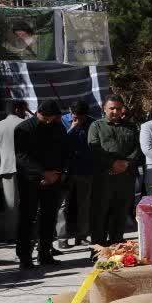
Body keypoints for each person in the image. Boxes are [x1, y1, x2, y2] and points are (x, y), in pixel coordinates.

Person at [13, 99, 69, 268]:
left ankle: (45, 253)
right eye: (46, 118)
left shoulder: (58, 127)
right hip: (30, 180)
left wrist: (58, 173)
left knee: (49, 217)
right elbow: (22, 157)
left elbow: (64, 151)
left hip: (53, 179)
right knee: (27, 218)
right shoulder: (23, 128)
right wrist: (42, 173)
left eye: (52, 118)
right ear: (39, 113)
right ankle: (25, 257)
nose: (48, 121)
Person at [88, 95, 141, 246]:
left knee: (120, 214)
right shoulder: (96, 126)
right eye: (111, 108)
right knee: (100, 214)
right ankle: (98, 249)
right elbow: (94, 149)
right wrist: (112, 163)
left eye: (118, 108)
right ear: (104, 109)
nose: (115, 111)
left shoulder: (131, 127)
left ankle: (117, 247)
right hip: (104, 178)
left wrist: (126, 163)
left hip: (125, 178)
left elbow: (137, 148)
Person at [0, 99, 28, 241]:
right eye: (24, 109)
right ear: (18, 109)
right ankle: (27, 233)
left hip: (7, 169)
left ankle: (11, 235)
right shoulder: (27, 124)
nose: (25, 112)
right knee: (28, 203)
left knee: (11, 205)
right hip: (27, 169)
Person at [57, 100, 95, 247]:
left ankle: (82, 236)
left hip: (85, 169)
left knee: (84, 204)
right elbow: (59, 144)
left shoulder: (92, 123)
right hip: (66, 170)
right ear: (70, 111)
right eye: (75, 116)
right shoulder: (61, 121)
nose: (78, 119)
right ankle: (62, 238)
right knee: (63, 205)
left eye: (81, 117)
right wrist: (72, 128)